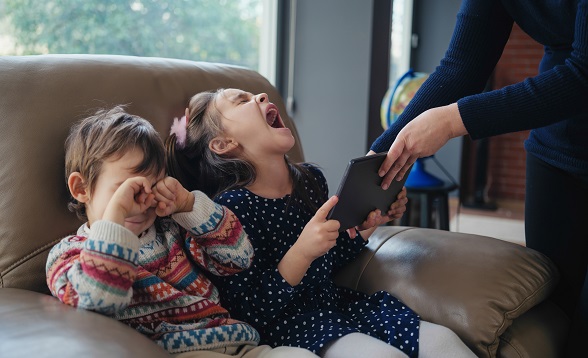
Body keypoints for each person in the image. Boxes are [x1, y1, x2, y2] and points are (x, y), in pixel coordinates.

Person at [165, 88, 477, 358]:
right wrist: (301, 253)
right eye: (241, 101)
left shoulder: (310, 180)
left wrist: (369, 222)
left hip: (339, 306)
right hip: (290, 327)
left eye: (255, 94)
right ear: (223, 144)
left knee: (443, 342)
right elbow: (249, 310)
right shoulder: (230, 213)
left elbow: (331, 258)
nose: (260, 96)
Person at [369, 0, 588, 353]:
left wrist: (453, 121)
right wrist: (380, 155)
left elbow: (583, 76)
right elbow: (462, 64)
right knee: (554, 315)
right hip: (556, 146)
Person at [46, 106, 318, 358]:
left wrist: (189, 205)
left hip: (239, 342)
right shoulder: (70, 254)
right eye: (129, 189)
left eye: (152, 187)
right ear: (82, 188)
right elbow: (99, 302)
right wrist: (115, 220)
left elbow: (239, 257)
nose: (142, 202)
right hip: (173, 351)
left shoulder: (171, 230)